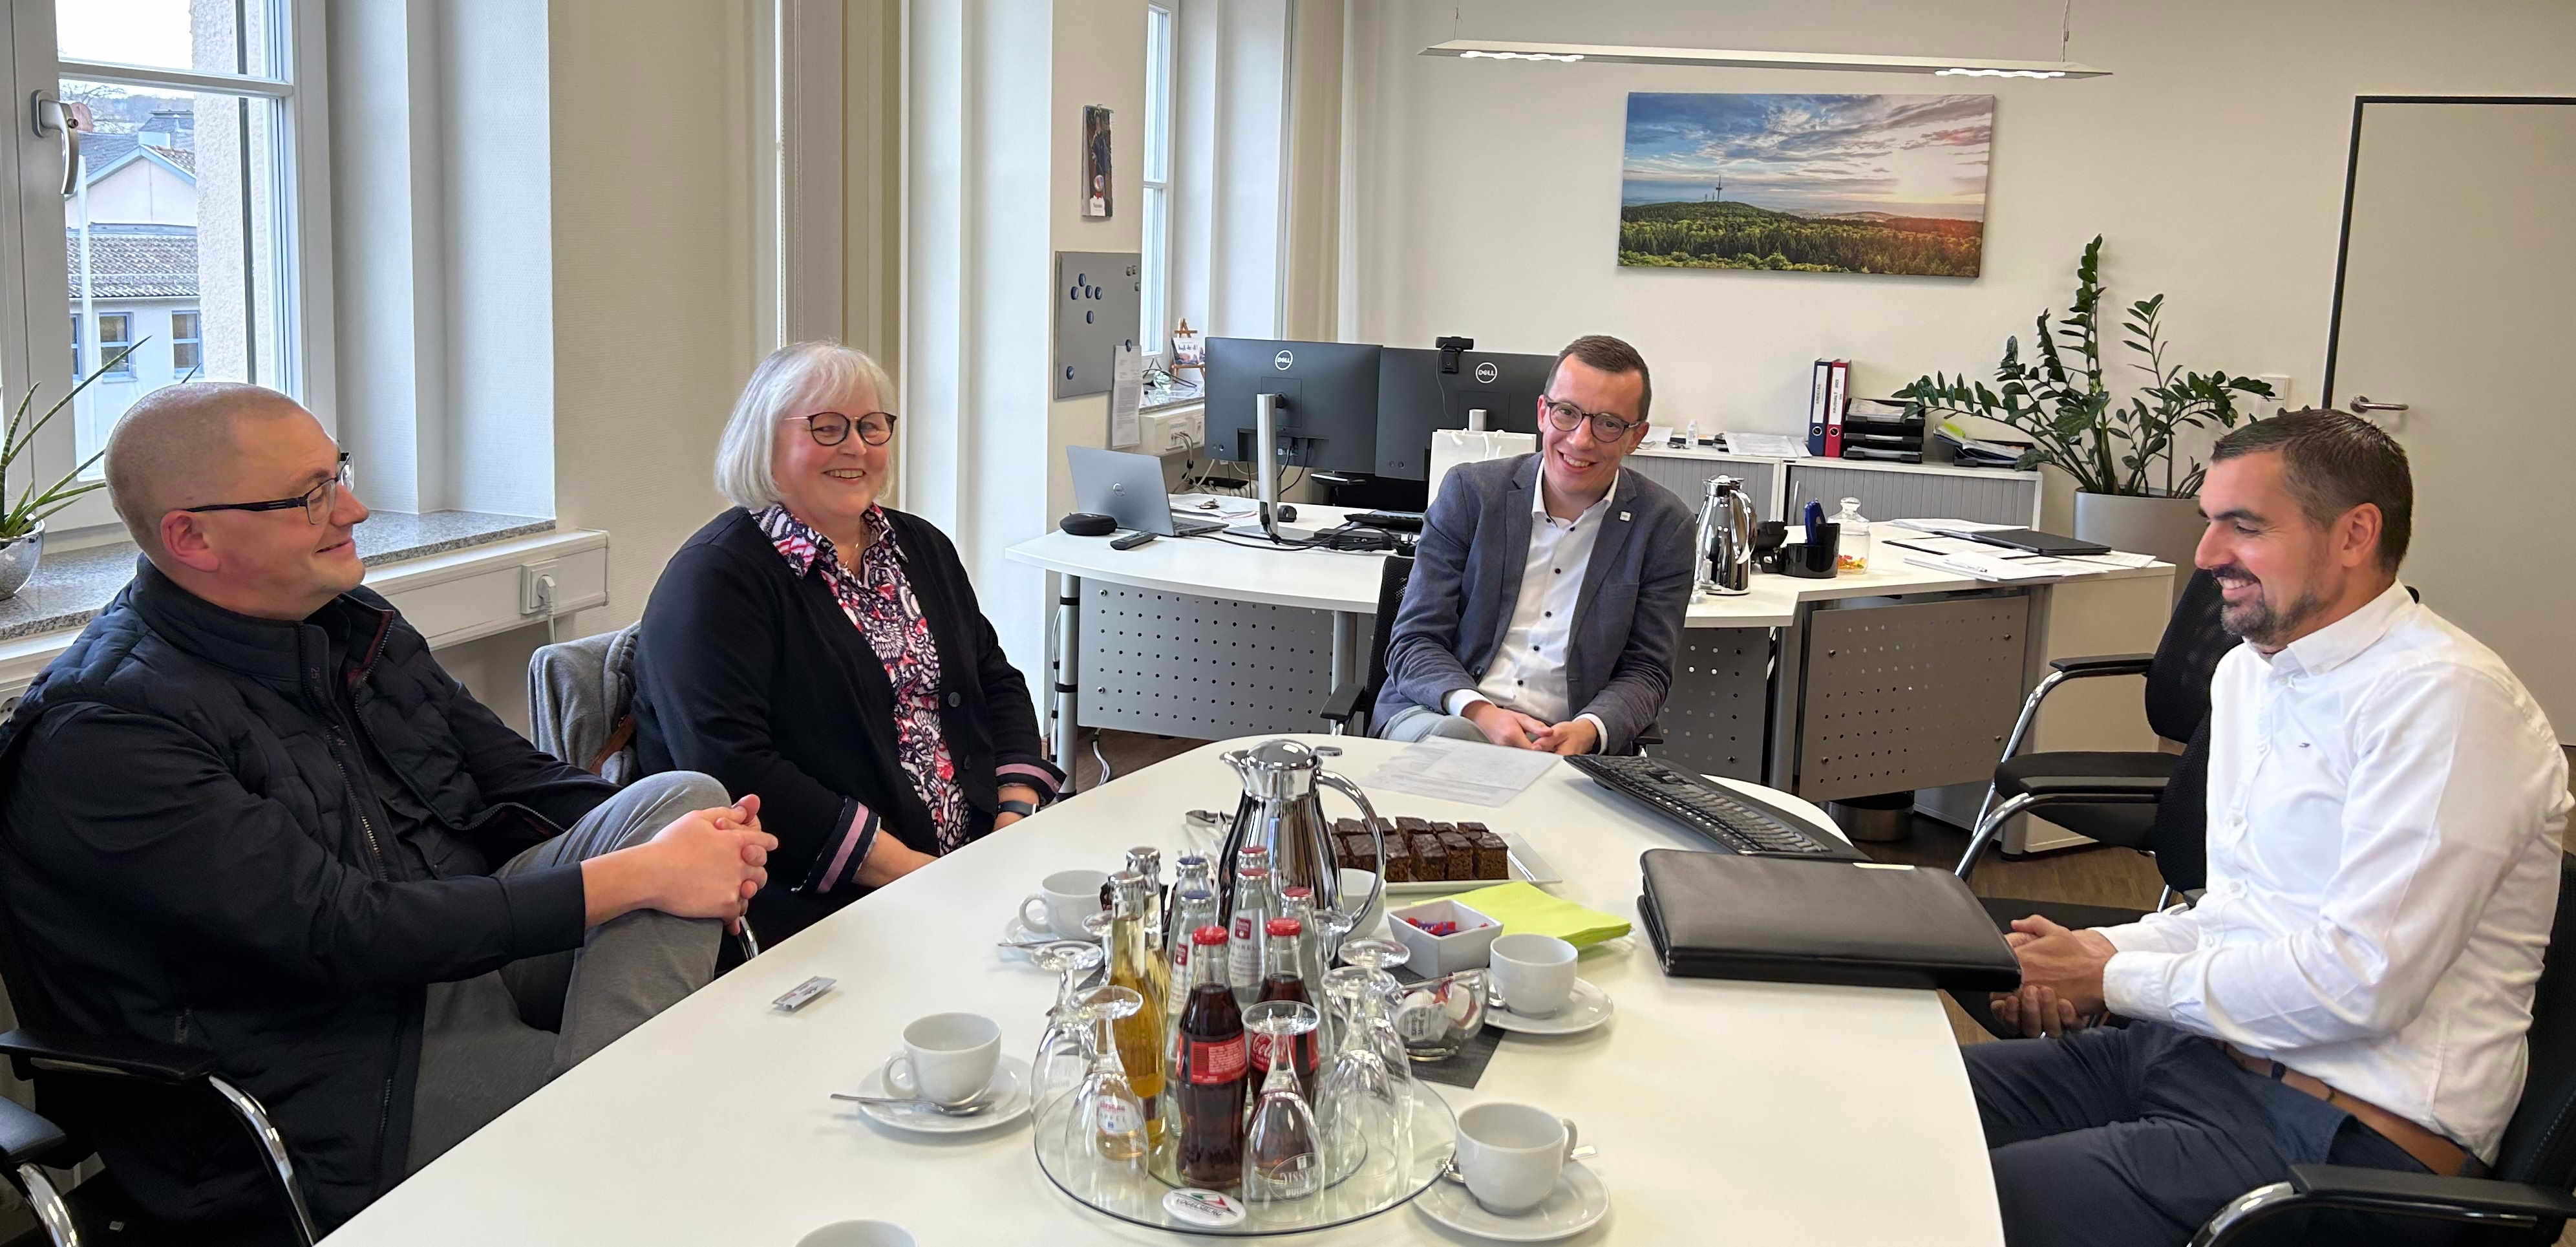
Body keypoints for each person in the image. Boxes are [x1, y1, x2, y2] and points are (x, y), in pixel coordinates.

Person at [0, 383, 775, 1238]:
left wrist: (707, 848)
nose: (355, 508)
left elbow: (515, 776)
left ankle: (609, 1141)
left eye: (338, 474)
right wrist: (632, 878)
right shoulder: (110, 730)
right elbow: (341, 930)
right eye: (310, 497)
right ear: (193, 536)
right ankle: (625, 1143)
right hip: (324, 1064)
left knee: (682, 801)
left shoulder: (345, 621)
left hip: (456, 951)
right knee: (705, 1104)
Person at [1966, 410, 2570, 1246]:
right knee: (1904, 1106)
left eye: (2242, 526)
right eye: (2209, 521)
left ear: (2356, 534)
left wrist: (2106, 982)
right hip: (2198, 1055)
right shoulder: (2254, 673)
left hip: (2341, 1134)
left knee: (1964, 1201)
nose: (2207, 554)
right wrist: (2103, 955)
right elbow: (2240, 912)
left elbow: (2355, 983)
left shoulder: (2448, 704)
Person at [632, 342, 1065, 944]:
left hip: (972, 860)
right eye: (827, 427)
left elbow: (992, 678)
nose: (856, 447)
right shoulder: (714, 581)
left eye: (871, 426)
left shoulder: (921, 547)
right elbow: (732, 767)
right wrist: (923, 876)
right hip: (822, 903)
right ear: (766, 443)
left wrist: (1013, 812)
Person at [1374, 334, 1694, 755]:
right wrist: (1481, 714)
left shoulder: (1664, 526)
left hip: (1566, 747)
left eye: (1609, 423)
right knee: (1461, 746)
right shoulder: (1470, 493)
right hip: (1443, 716)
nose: (1581, 440)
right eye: (1567, 413)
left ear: (1635, 437)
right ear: (1542, 412)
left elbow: (1646, 670)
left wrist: (1588, 730)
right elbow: (1414, 641)